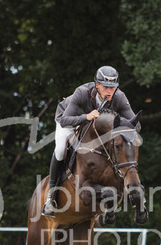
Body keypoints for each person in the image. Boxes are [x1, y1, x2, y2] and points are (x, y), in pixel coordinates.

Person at [42, 66, 138, 217]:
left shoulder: (119, 96)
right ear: (97, 85)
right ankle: (51, 197)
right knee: (60, 150)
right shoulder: (82, 92)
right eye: (106, 87)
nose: (110, 91)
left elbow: (135, 125)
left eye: (113, 87)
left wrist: (120, 123)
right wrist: (86, 117)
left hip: (95, 126)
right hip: (70, 121)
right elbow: (65, 120)